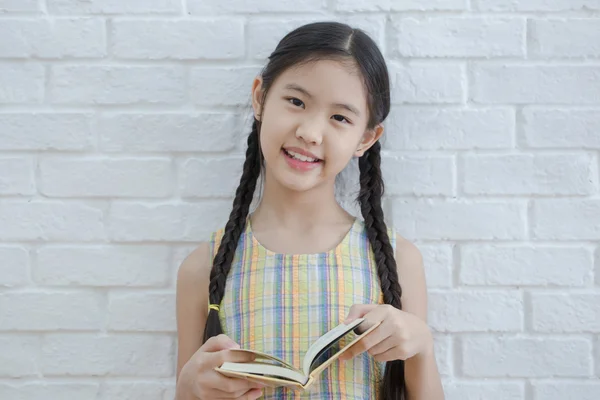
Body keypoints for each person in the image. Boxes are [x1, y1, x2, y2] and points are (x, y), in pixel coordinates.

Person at [175, 21, 444, 400]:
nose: (311, 133)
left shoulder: (399, 260)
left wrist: (422, 345)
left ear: (366, 138)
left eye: (340, 118)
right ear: (260, 97)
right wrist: (190, 387)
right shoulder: (202, 267)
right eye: (296, 102)